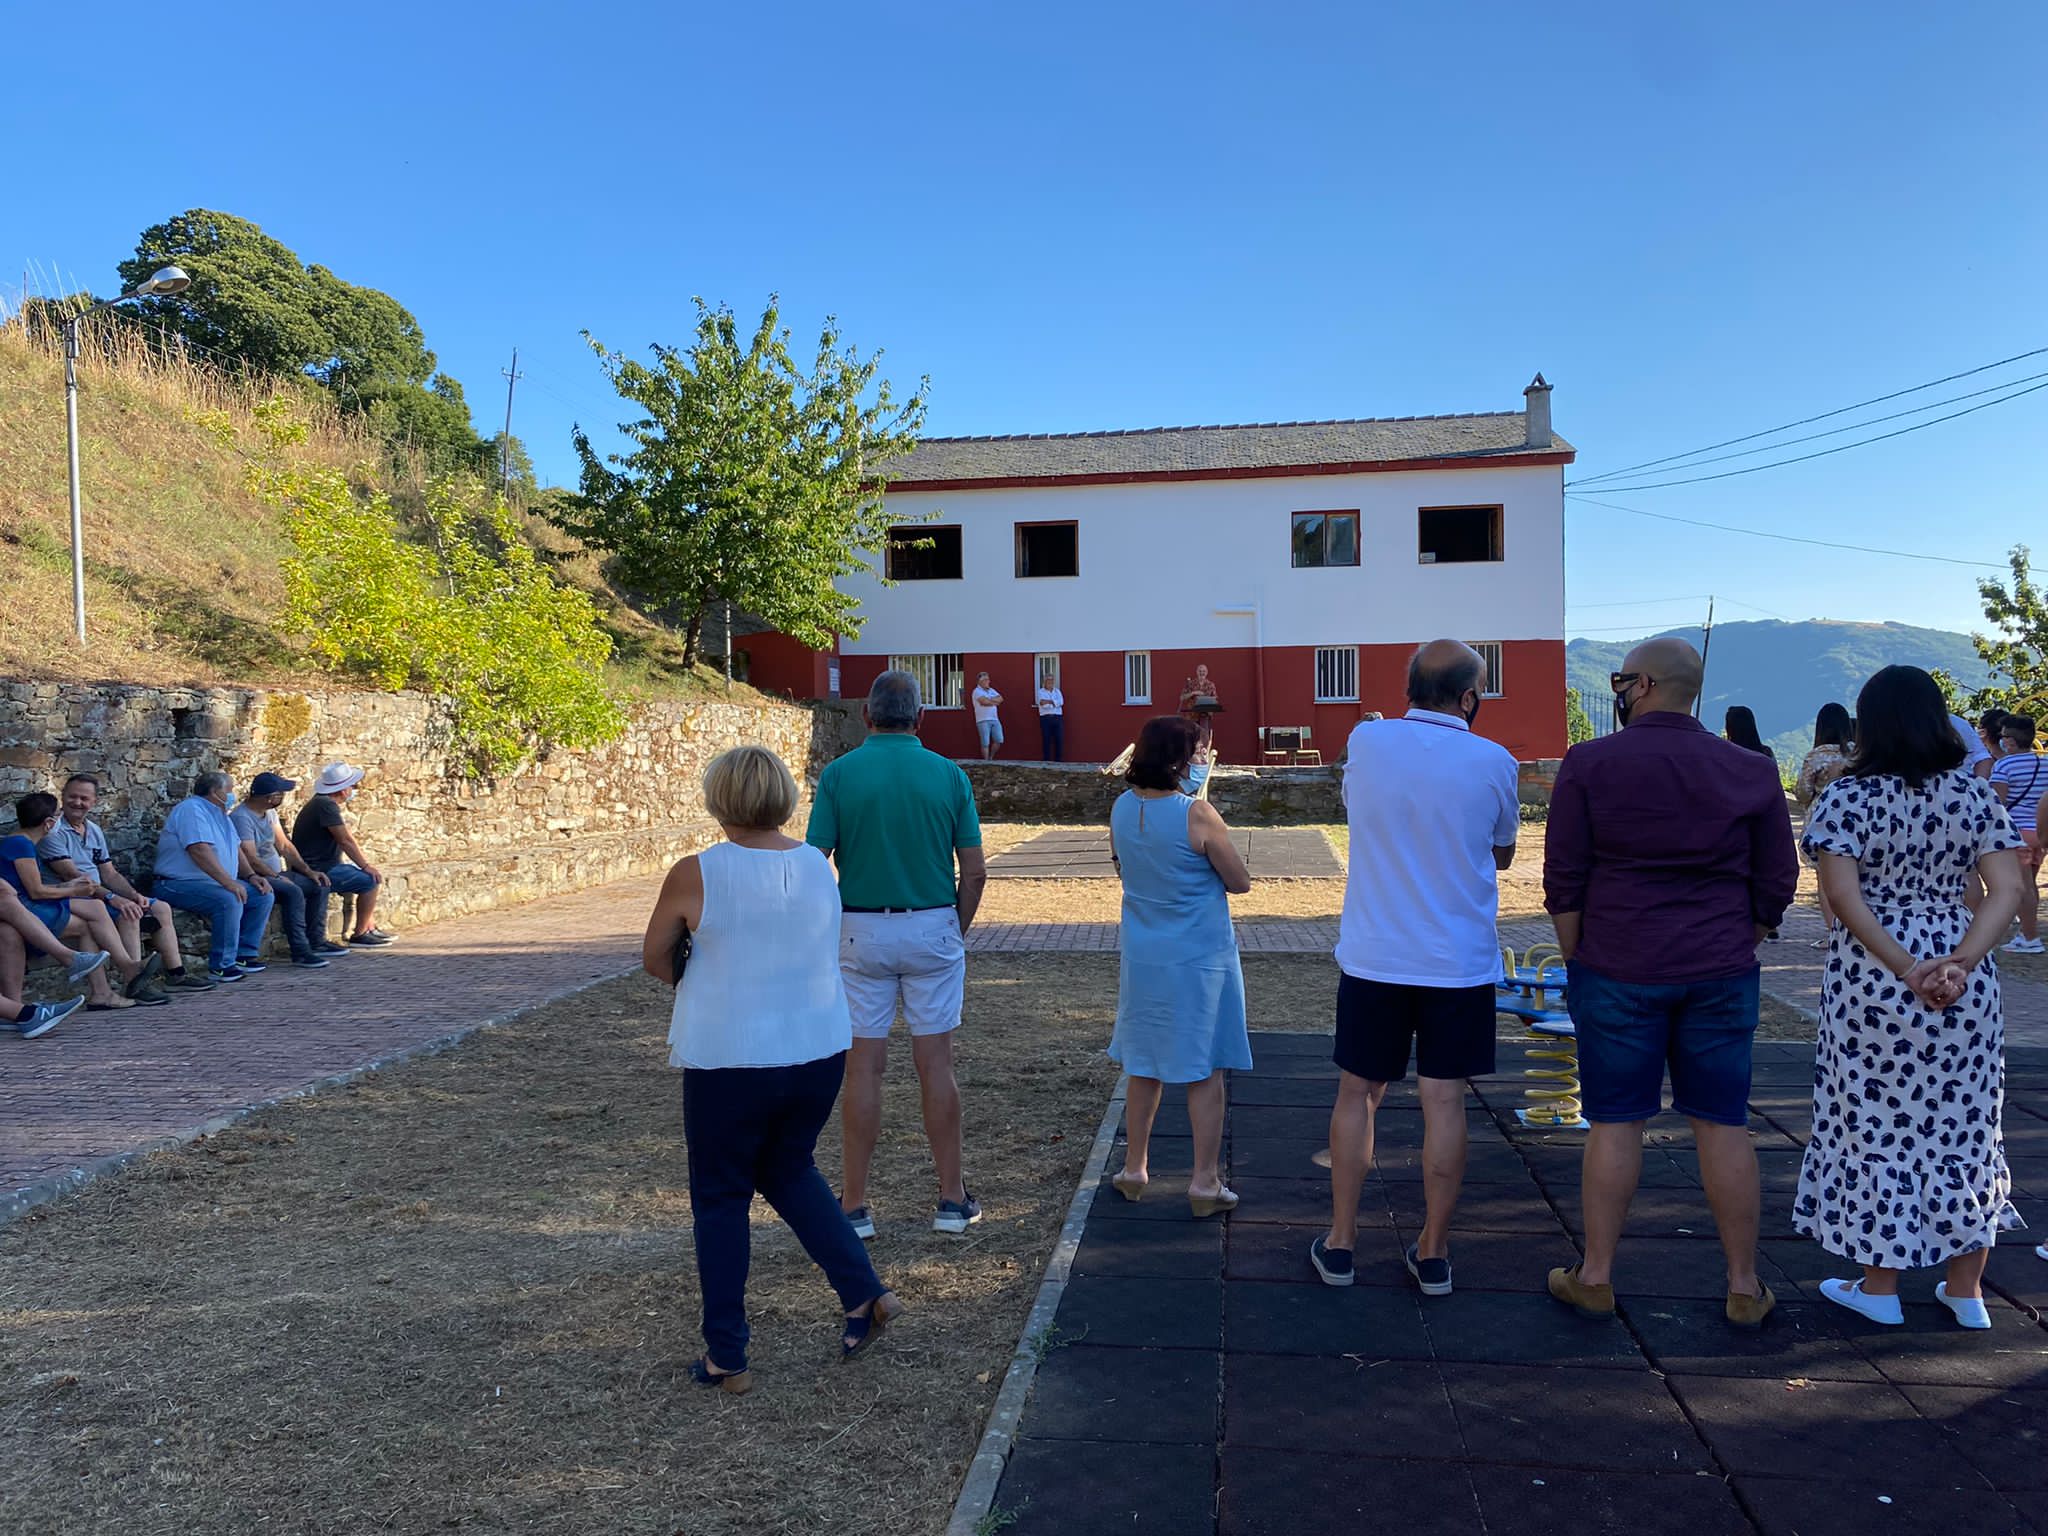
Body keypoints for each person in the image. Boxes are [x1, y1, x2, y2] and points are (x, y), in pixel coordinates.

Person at [1543, 638, 1798, 1327]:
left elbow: (1563, 876)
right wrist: (1741, 937)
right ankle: (1744, 1284)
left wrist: (1579, 956)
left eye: (1620, 680)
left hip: (1617, 964)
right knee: (1723, 1124)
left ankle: (1594, 1274)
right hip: (1719, 967)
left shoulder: (1590, 762)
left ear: (1645, 684)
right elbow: (1777, 880)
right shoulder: (1751, 769)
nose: (1618, 689)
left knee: (1615, 1121)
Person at [643, 745, 903, 1393]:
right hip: (815, 1046)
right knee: (787, 1167)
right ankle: (863, 1290)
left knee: (721, 1194)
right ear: (785, 796)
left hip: (732, 1054)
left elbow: (655, 957)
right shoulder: (818, 865)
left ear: (718, 798)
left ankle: (726, 1354)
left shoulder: (698, 871)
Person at [1798, 665, 2026, 1329]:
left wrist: (1908, 969)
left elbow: (1843, 896)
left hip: (1874, 975)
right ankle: (1967, 1289)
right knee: (1965, 1122)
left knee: (1878, 1122)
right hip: (1964, 967)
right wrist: (1959, 962)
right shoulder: (1976, 796)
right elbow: (2007, 890)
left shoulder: (1847, 797)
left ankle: (1879, 1286)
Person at [1312, 641, 1519, 1294]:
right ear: (1468, 697)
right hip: (1456, 962)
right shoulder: (1496, 760)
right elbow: (1505, 851)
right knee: (1444, 1102)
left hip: (1376, 954)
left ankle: (1341, 1243)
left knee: (1357, 1093)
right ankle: (1432, 1252)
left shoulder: (1367, 742)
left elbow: (1359, 810)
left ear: (1408, 688)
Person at [808, 669, 988, 1238]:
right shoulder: (949, 774)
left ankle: (855, 1204)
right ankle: (951, 1198)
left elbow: (816, 862)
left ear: (867, 716)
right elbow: (975, 871)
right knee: (936, 1063)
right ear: (921, 717)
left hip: (859, 926)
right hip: (932, 920)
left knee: (863, 1066)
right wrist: (952, 928)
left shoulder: (839, 775)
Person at [1106, 717, 1253, 1216]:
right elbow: (1239, 881)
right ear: (1178, 759)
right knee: (1203, 1067)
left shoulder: (1122, 808)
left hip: (1145, 955)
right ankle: (1204, 1180)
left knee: (1143, 1064)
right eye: (1197, 752)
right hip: (1198, 958)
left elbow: (1123, 865)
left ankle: (1134, 1167)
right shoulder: (1197, 814)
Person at [40, 773, 208, 992]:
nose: (77, 803)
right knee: (128, 913)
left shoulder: (93, 830)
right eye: (72, 797)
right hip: (74, 896)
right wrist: (114, 898)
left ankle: (176, 974)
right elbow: (73, 878)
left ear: (94, 802)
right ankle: (136, 983)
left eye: (84, 798)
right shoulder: (53, 832)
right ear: (63, 797)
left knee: (160, 907)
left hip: (97, 893)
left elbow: (109, 874)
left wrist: (133, 895)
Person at [7, 793, 162, 1009]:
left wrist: (74, 888)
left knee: (94, 911)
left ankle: (106, 990)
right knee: (91, 919)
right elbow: (35, 892)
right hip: (24, 909)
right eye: (57, 815)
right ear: (49, 823)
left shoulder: (23, 843)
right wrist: (72, 889)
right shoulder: (20, 844)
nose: (60, 819)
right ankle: (125, 971)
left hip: (28, 903)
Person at [153, 772, 275, 984]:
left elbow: (236, 849)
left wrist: (251, 875)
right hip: (175, 884)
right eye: (228, 790)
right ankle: (221, 966)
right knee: (228, 900)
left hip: (210, 884)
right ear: (214, 791)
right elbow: (199, 850)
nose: (232, 795)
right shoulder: (192, 810)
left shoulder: (221, 815)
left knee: (262, 895)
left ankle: (244, 955)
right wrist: (229, 883)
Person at [232, 773, 335, 969]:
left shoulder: (269, 814)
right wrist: (276, 877)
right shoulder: (241, 817)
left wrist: (308, 871)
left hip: (275, 874)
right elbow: (250, 858)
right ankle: (300, 950)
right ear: (268, 797)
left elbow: (284, 846)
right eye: (280, 794)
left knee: (319, 884)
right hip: (259, 877)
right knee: (293, 891)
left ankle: (317, 941)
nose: (282, 797)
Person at [291, 764, 393, 949]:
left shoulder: (321, 803)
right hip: (321, 868)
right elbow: (345, 840)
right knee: (370, 881)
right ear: (343, 789)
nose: (353, 790)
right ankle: (361, 933)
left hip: (322, 864)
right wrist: (365, 866)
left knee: (363, 876)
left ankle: (370, 925)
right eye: (352, 786)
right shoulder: (326, 805)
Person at [0, 871, 124, 1016]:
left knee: (8, 932)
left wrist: (64, 886)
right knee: (90, 917)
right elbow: (35, 891)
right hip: (30, 903)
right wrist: (76, 890)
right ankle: (71, 960)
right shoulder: (20, 847)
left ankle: (14, 1010)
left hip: (24, 904)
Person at [1794, 703, 1855, 944]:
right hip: (1853, 818)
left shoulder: (1816, 755)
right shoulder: (1856, 753)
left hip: (1823, 818)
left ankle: (1833, 934)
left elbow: (1802, 791)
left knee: (1824, 878)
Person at [1990, 715, 2043, 954]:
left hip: (2016, 832)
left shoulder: (2004, 766)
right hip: (2040, 832)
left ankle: (2030, 938)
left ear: (2010, 741)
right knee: (2031, 884)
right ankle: (2025, 932)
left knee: (2023, 887)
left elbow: (1997, 801)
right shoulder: (2044, 763)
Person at [970, 672, 1005, 760]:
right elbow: (984, 702)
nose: (988, 681)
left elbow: (1001, 699)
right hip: (983, 720)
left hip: (994, 719)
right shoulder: (976, 691)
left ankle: (990, 758)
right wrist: (994, 702)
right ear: (980, 681)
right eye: (985, 680)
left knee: (999, 740)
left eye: (988, 679)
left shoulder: (991, 690)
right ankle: (986, 761)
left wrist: (989, 700)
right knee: (985, 743)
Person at [1035, 671, 1066, 762]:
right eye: (1048, 680)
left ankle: (1058, 761)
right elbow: (1043, 705)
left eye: (1051, 681)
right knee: (1046, 739)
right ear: (1044, 682)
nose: (1050, 682)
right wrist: (1054, 703)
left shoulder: (1057, 691)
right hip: (1046, 718)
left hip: (1057, 717)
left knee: (1059, 739)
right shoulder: (1040, 692)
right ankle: (1047, 760)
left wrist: (1049, 702)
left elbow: (1061, 702)